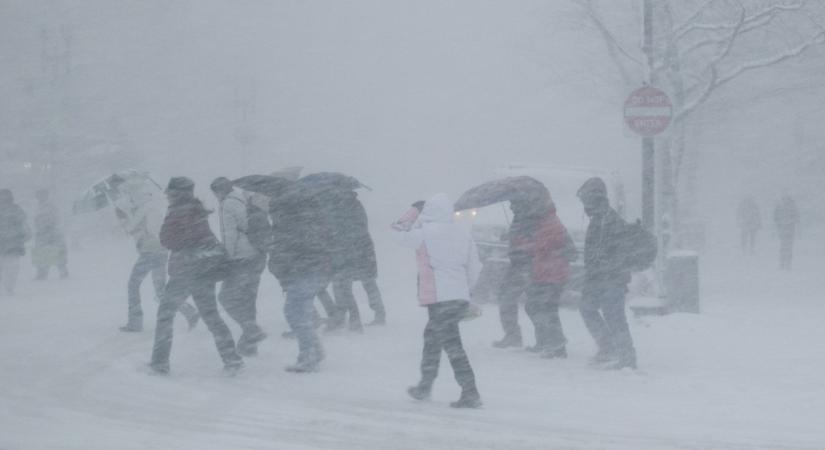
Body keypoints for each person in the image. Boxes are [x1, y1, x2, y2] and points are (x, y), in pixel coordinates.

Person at [393, 194, 483, 409]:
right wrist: (464, 291)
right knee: (433, 340)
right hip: (457, 297)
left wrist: (413, 210)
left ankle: (470, 392)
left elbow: (398, 232)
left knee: (452, 345)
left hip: (440, 299)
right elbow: (475, 267)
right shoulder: (463, 233)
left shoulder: (424, 233)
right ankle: (425, 386)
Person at [149, 177, 243, 375]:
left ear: (176, 193)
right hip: (204, 270)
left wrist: (170, 224)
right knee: (212, 316)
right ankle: (232, 359)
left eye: (169, 191)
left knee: (165, 316)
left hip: (185, 270)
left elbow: (167, 239)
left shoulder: (177, 211)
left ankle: (159, 363)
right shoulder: (197, 209)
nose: (166, 195)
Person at [112, 177, 200, 333]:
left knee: (133, 285)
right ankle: (190, 312)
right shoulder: (148, 207)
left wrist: (125, 220)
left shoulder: (146, 209)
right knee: (160, 291)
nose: (130, 198)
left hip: (151, 252)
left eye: (130, 195)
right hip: (157, 251)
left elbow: (143, 230)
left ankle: (135, 322)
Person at [576, 177, 636, 370]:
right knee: (587, 308)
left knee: (614, 315)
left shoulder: (609, 220)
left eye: (585, 200)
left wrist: (606, 269)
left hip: (611, 278)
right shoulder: (599, 219)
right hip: (598, 277)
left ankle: (627, 357)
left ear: (595, 198)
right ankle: (608, 347)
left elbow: (618, 251)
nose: (584, 205)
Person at [268, 192, 332, 373]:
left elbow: (295, 251)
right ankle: (314, 351)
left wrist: (280, 258)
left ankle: (309, 355)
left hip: (303, 273)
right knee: (299, 313)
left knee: (295, 313)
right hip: (309, 273)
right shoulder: (301, 224)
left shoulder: (292, 227)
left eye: (273, 211)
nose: (272, 215)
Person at [210, 177, 268, 356]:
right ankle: (249, 346)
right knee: (248, 300)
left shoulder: (227, 205)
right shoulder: (244, 200)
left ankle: (251, 330)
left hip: (241, 258)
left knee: (226, 298)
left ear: (219, 192)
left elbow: (229, 235)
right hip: (257, 255)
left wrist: (225, 258)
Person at [511, 196, 572, 358]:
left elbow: (541, 246)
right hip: (545, 273)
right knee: (537, 307)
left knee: (545, 309)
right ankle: (549, 342)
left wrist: (521, 245)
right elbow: (538, 243)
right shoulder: (546, 222)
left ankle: (556, 344)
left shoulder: (550, 223)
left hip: (552, 274)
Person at [326, 190, 386, 332]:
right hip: (362, 249)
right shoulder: (355, 205)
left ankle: (348, 317)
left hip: (349, 250)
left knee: (343, 284)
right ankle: (378, 313)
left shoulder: (340, 208)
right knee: (367, 282)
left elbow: (340, 230)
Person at [32, 189, 68, 280]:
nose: (40, 197)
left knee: (57, 251)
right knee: (41, 252)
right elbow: (35, 220)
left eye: (42, 195)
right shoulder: (37, 207)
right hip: (42, 233)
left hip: (52, 231)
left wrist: (48, 225)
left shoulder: (51, 206)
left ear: (46, 196)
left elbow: (56, 218)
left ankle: (62, 271)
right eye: (38, 195)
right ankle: (42, 273)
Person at [0, 189, 30, 296]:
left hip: (13, 243)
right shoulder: (15, 209)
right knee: (7, 266)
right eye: (2, 197)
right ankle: (8, 287)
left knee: (12, 267)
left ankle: (9, 287)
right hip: (5, 242)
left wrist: (26, 233)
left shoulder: (16, 209)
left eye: (6, 197)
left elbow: (24, 223)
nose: (4, 199)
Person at [774, 192, 799, 270]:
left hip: (784, 229)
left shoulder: (780, 206)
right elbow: (796, 217)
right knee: (788, 247)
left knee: (783, 247)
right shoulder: (792, 207)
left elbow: (775, 217)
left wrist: (779, 223)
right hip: (789, 230)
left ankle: (783, 263)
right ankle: (787, 263)